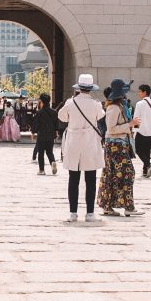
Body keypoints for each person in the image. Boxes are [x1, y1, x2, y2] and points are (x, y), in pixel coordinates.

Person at [57, 74, 105, 223]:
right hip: (90, 142)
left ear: (79, 87)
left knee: (73, 179)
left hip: (73, 142)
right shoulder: (96, 104)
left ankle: (73, 213)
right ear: (90, 88)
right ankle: (90, 213)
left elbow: (62, 117)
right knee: (90, 179)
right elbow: (100, 116)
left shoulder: (70, 103)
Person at [98, 79, 145, 218]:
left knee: (112, 175)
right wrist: (130, 124)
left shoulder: (119, 106)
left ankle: (109, 206)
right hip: (115, 146)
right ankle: (127, 206)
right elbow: (111, 129)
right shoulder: (113, 108)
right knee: (127, 174)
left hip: (119, 145)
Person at [133, 83, 151, 178]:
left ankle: (148, 164)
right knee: (147, 151)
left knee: (138, 150)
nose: (139, 93)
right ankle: (145, 171)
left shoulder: (139, 104)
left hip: (141, 131)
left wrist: (134, 131)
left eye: (140, 91)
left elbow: (136, 119)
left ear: (145, 92)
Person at [32, 93, 58, 175]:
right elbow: (56, 124)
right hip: (51, 135)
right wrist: (56, 133)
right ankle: (52, 162)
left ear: (42, 101)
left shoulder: (39, 112)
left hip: (42, 135)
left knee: (41, 153)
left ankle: (41, 170)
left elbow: (36, 124)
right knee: (50, 152)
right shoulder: (54, 112)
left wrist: (33, 132)